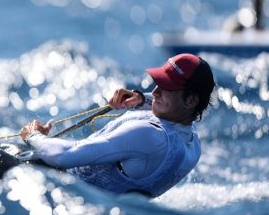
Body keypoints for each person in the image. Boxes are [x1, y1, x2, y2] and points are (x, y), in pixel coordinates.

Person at [20, 53, 215, 198]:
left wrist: (33, 136)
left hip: (57, 191)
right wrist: (140, 99)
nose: (155, 92)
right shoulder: (192, 144)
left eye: (167, 87)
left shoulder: (149, 136)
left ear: (190, 101)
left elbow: (64, 156)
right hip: (98, 203)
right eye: (158, 83)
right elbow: (172, 110)